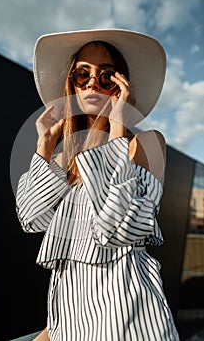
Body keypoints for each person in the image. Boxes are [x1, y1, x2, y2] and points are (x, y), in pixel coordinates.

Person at [15, 29, 180, 340]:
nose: (92, 82)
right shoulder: (65, 159)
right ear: (72, 84)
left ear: (121, 86)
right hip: (70, 323)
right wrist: (45, 145)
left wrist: (119, 124)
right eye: (82, 73)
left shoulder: (144, 144)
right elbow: (31, 218)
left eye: (107, 76)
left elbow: (117, 228)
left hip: (127, 323)